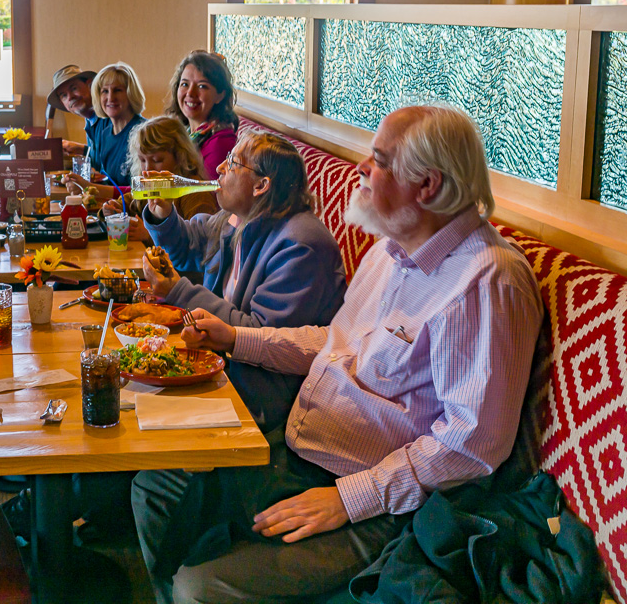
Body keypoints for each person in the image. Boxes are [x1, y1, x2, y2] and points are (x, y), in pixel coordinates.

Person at [133, 105, 544, 604]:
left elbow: (471, 445)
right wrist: (235, 337)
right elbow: (330, 344)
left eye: (379, 160)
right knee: (156, 484)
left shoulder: (487, 281)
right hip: (298, 452)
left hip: (381, 509)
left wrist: (349, 500)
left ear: (428, 185)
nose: (361, 170)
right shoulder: (389, 250)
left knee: (198, 589)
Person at [140, 131, 347, 431]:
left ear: (262, 185)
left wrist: (178, 291)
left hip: (265, 403)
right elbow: (189, 246)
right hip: (218, 366)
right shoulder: (237, 218)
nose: (220, 169)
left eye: (233, 163)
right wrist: (163, 211)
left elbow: (262, 339)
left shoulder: (300, 246)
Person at [88, 116, 219, 242]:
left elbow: (200, 244)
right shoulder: (153, 186)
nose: (147, 168)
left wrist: (150, 236)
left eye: (156, 160)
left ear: (180, 157)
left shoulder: (194, 193)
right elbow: (129, 202)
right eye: (142, 160)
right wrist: (112, 209)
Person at [164, 50, 239, 176]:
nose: (190, 93)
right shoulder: (184, 133)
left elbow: (207, 195)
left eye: (202, 86)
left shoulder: (219, 144)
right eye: (184, 84)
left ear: (220, 95)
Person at [81, 61, 147, 186]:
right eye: (105, 91)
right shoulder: (104, 133)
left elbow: (141, 190)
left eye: (117, 90)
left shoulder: (144, 133)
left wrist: (91, 187)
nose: (110, 98)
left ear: (130, 94)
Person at [44, 64, 96, 156]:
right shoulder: (90, 119)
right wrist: (80, 149)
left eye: (74, 88)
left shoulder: (107, 117)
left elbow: (110, 163)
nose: (70, 97)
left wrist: (81, 149)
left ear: (89, 85)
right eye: (64, 95)